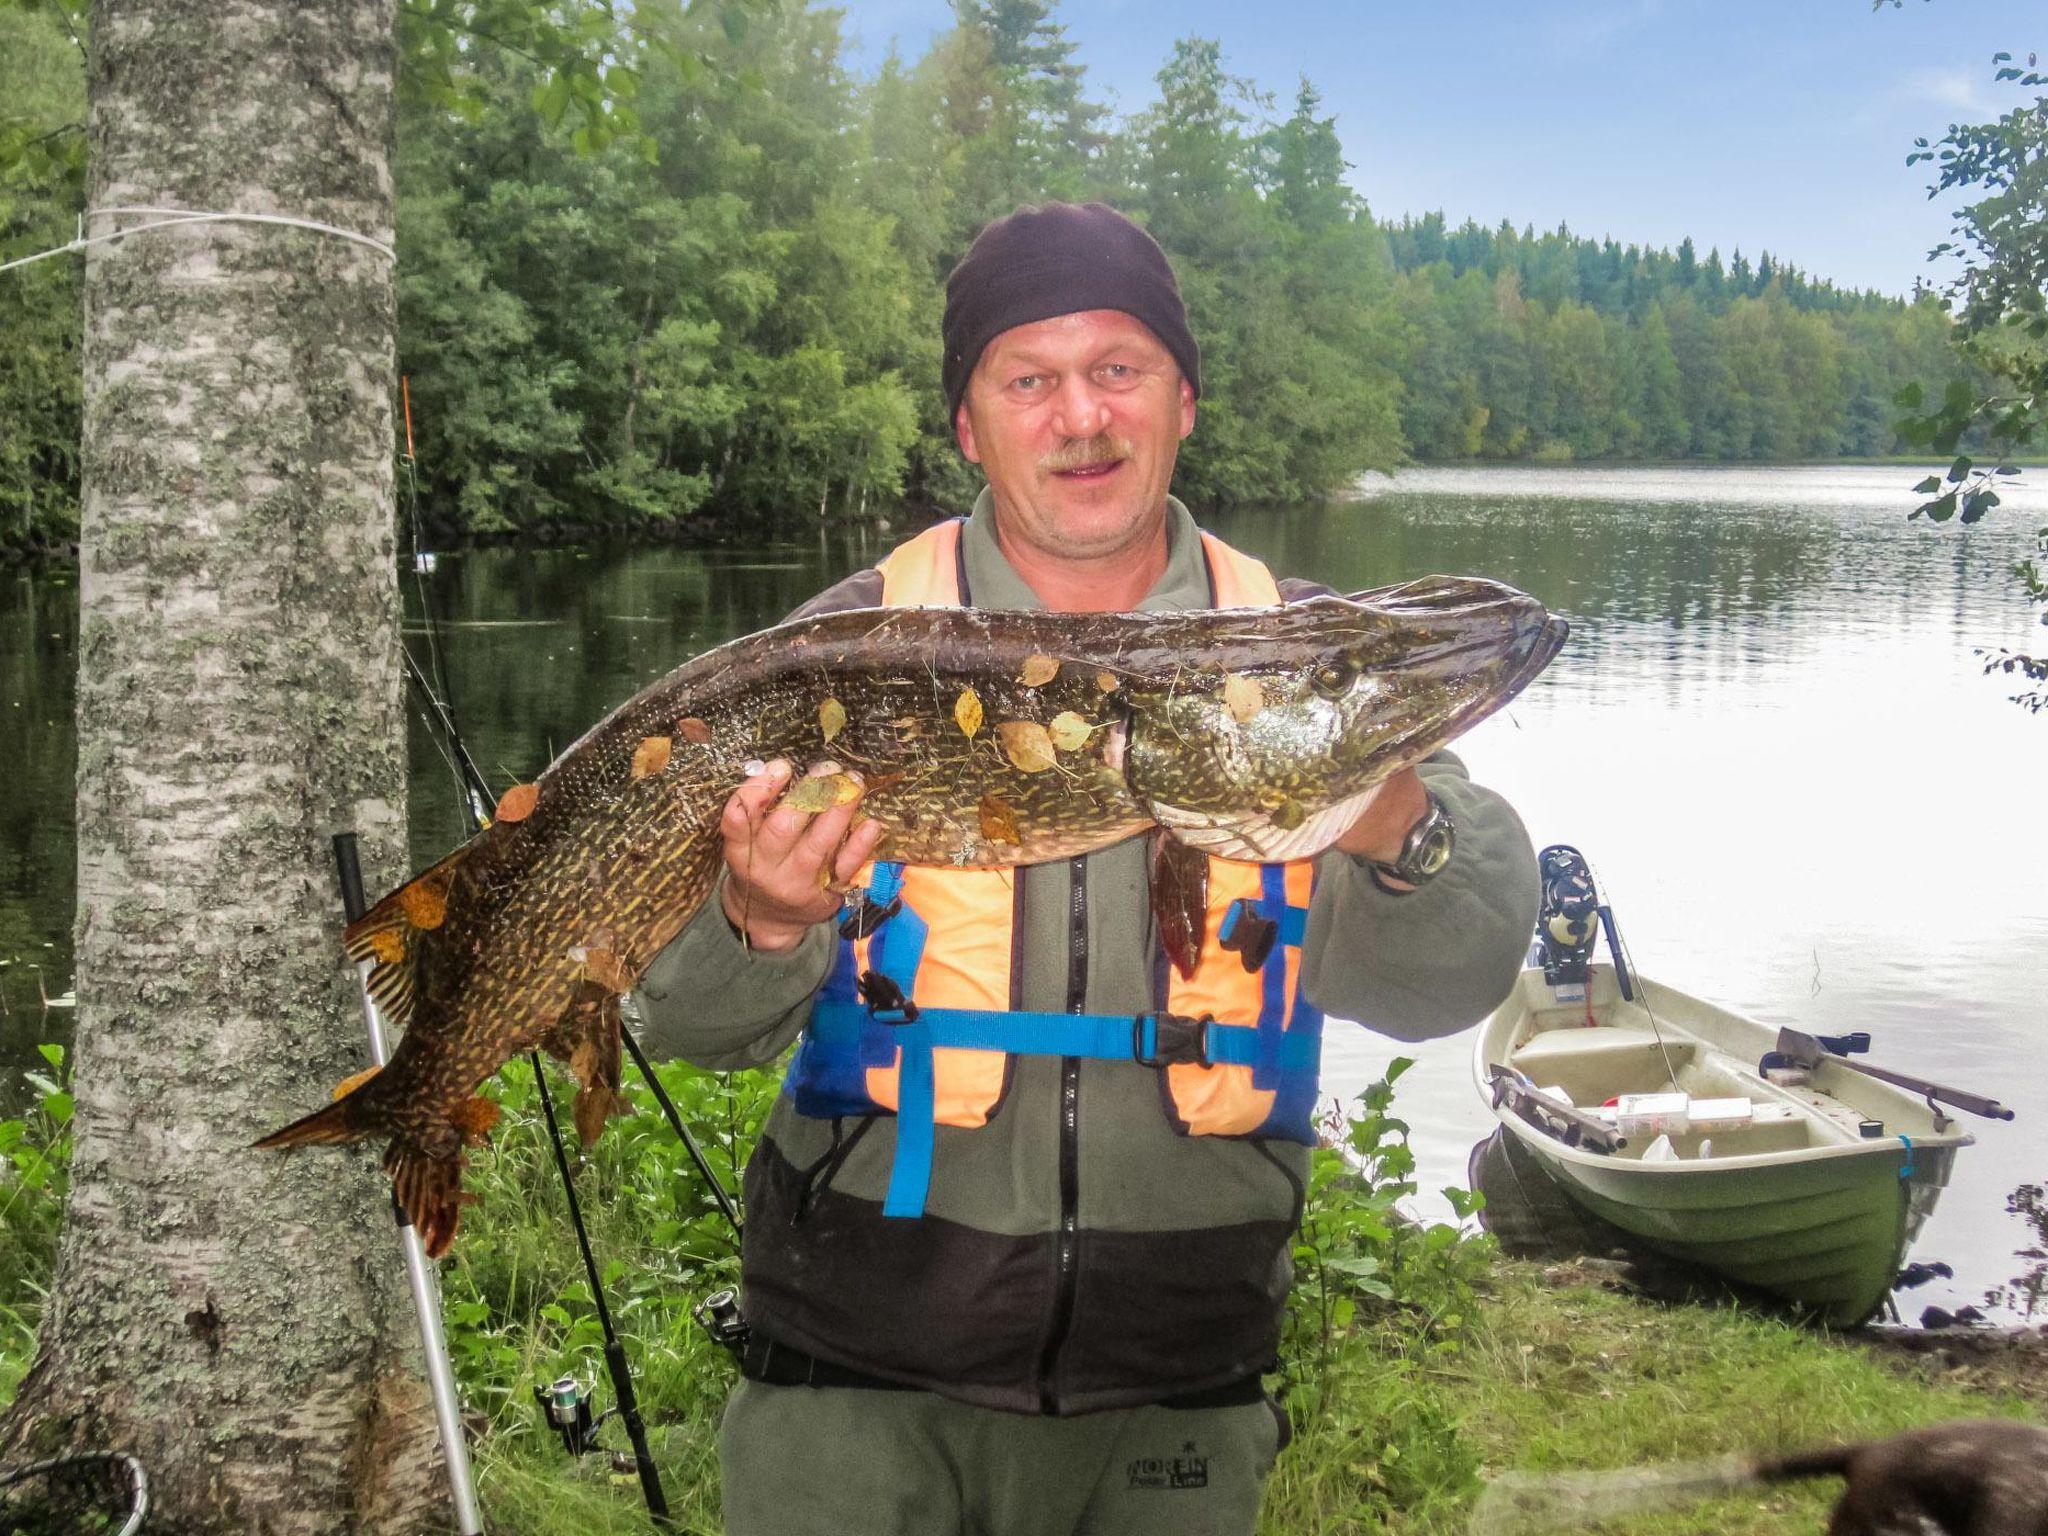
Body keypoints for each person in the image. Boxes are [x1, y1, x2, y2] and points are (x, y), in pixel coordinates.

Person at [634, 201, 1539, 1536]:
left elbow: (1451, 976)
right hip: (852, 1386)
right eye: (1029, 379)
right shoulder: (843, 652)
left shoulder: (1303, 661)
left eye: (1118, 369)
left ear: (1183, 399)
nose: (1082, 418)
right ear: (968, 425)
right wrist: (756, 921)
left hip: (1173, 1387)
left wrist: (1394, 819)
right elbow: (682, 1022)